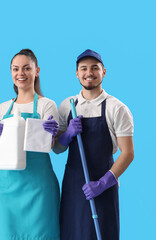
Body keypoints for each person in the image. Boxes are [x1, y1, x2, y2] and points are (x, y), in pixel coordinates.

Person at [54, 49, 134, 240]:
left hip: (104, 186)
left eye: (94, 68)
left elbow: (128, 153)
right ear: (77, 73)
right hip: (74, 186)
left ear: (103, 72)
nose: (89, 73)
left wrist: (103, 183)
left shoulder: (117, 108)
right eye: (83, 69)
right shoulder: (67, 105)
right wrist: (68, 135)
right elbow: (57, 148)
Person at [0, 49, 60, 240]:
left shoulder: (47, 105)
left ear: (37, 71)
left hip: (39, 187)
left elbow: (53, 146)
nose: (20, 73)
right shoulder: (3, 108)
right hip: (7, 188)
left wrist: (51, 135)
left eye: (26, 68)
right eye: (15, 69)